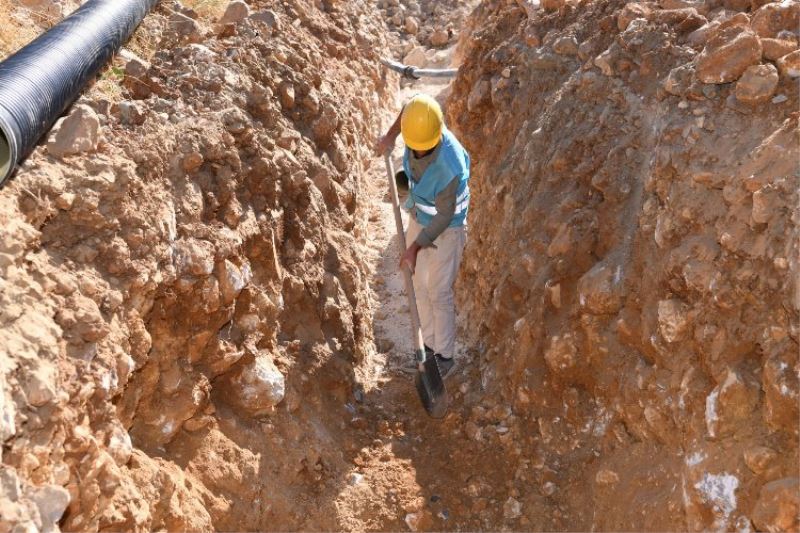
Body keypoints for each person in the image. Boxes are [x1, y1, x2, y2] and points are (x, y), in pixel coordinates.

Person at [375, 94, 470, 377]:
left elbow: (443, 217)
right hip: (420, 213)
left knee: (438, 292)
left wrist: (414, 248)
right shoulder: (420, 117)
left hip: (447, 227)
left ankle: (445, 356)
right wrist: (390, 137)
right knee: (417, 284)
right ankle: (428, 347)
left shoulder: (449, 167)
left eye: (422, 150)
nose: (416, 152)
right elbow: (408, 110)